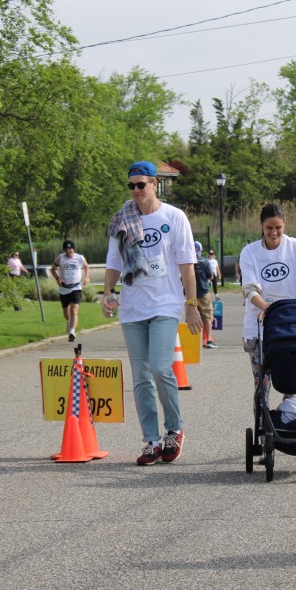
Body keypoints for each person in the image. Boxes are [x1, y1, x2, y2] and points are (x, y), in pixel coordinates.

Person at [102, 161, 203, 466]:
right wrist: (108, 293)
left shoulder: (173, 217)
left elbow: (187, 265)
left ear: (154, 184)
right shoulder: (121, 219)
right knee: (141, 377)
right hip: (133, 307)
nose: (135, 190)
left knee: (160, 368)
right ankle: (151, 440)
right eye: (131, 186)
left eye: (141, 185)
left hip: (165, 305)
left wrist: (192, 305)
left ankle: (174, 429)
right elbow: (114, 263)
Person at [239, 203, 296, 407]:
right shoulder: (250, 252)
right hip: (260, 327)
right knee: (262, 384)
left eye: (278, 228)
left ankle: (290, 416)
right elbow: (250, 290)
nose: (274, 233)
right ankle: (264, 422)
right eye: (269, 228)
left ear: (284, 225)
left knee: (292, 383)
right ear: (261, 225)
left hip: (292, 327)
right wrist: (267, 308)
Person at [51, 240, 90, 343]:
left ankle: (72, 332)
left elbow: (86, 266)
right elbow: (53, 269)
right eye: (66, 249)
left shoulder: (80, 258)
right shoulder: (60, 258)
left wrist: (86, 277)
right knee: (66, 311)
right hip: (64, 288)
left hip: (76, 287)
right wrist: (58, 278)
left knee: (73, 310)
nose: (68, 251)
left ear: (73, 248)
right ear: (64, 250)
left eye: (70, 248)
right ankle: (68, 322)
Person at [193, 241, 216, 348]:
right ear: (200, 250)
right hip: (203, 291)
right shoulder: (205, 262)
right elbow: (211, 276)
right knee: (207, 316)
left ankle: (194, 341)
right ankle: (209, 340)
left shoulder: (189, 261)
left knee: (193, 316)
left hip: (191, 293)